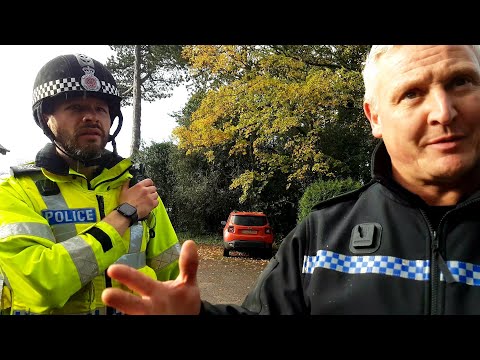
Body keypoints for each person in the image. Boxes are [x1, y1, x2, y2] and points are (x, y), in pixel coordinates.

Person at [101, 45, 480, 315]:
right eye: (412, 93)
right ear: (374, 116)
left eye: (462, 81)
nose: (443, 113)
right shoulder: (323, 234)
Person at [0, 53, 181, 315]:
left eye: (100, 109)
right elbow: (41, 283)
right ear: (45, 119)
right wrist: (124, 215)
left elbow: (173, 276)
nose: (91, 117)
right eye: (76, 107)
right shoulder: (15, 191)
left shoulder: (138, 186)